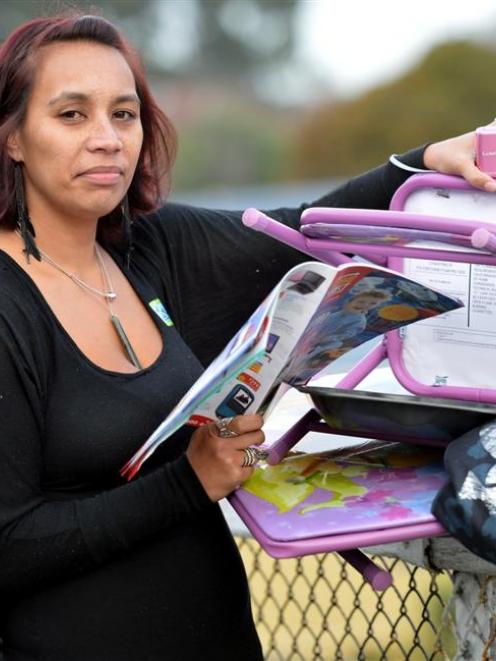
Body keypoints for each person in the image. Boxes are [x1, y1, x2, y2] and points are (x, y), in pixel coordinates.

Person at [0, 12, 492, 661]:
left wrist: (424, 163)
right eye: (71, 115)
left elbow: (303, 239)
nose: (107, 139)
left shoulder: (146, 248)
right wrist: (189, 482)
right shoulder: (9, 304)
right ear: (12, 136)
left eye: (124, 114)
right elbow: (9, 544)